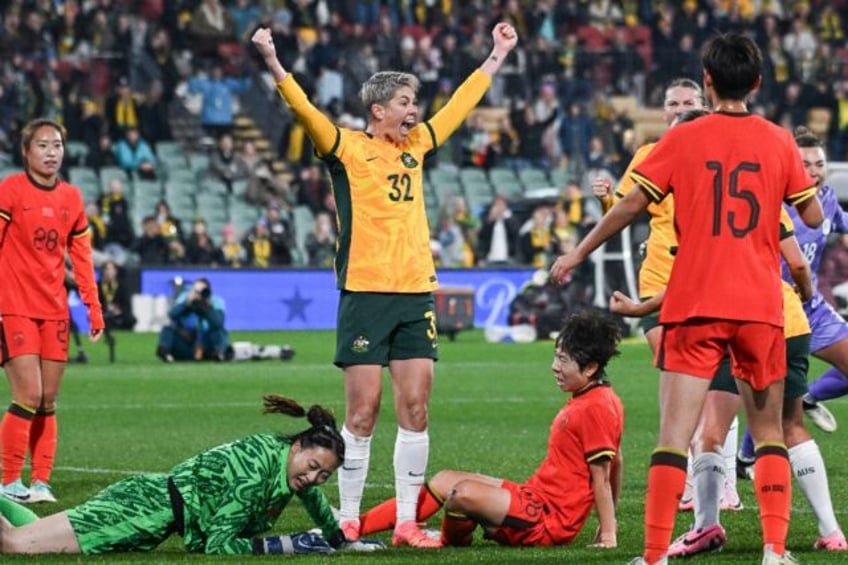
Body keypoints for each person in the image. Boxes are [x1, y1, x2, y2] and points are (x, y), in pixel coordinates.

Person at [549, 32, 823, 565]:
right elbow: (811, 217)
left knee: (674, 435)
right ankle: (774, 550)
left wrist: (579, 253)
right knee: (768, 432)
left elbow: (629, 206)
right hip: (760, 307)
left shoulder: (679, 140)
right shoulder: (777, 140)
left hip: (693, 303)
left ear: (707, 82)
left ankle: (652, 557)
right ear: (759, 83)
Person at [252, 21, 518, 549]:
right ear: (378, 111)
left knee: (416, 409)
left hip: (415, 290)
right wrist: (273, 62)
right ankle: (348, 517)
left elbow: (460, 107)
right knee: (363, 412)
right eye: (404, 100)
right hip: (365, 293)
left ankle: (404, 522)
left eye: (414, 99)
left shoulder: (417, 144)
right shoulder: (347, 149)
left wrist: (496, 55)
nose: (414, 109)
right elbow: (305, 111)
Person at [612, 209, 848, 556]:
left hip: (727, 321)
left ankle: (690, 535)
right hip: (782, 317)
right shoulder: (767, 197)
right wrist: (804, 292)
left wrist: (639, 308)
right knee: (785, 427)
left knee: (704, 432)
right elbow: (797, 262)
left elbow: (691, 277)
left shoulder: (705, 204)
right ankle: (819, 535)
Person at [355, 310, 624, 548]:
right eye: (556, 357)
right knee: (445, 480)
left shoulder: (595, 407)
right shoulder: (596, 397)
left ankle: (445, 541)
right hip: (535, 498)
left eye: (564, 360)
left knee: (461, 495)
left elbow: (602, 476)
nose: (555, 367)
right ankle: (355, 527)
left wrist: (608, 534)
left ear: (590, 367)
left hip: (547, 520)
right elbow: (617, 459)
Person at [0, 394, 383, 555]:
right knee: (16, 545)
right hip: (139, 512)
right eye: (313, 467)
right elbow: (216, 546)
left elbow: (312, 497)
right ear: (298, 447)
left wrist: (340, 540)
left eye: (324, 476)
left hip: (145, 501)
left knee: (35, 530)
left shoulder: (282, 458)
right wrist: (289, 544)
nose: (314, 479)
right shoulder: (256, 472)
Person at [0, 118, 105, 503]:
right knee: (28, 393)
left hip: (55, 310)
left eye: (57, 145)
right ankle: (9, 481)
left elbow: (82, 258)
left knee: (48, 401)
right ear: (26, 152)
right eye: (43, 145)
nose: (51, 152)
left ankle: (40, 483)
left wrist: (93, 308)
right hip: (13, 307)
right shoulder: (9, 191)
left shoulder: (72, 199)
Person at [156, 278, 228, 362]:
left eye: (202, 292)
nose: (199, 295)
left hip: (207, 339)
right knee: (168, 329)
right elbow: (172, 315)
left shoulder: (216, 301)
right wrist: (186, 304)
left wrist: (208, 308)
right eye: (196, 291)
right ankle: (165, 352)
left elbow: (218, 323)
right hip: (187, 338)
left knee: (219, 332)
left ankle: (218, 354)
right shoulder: (185, 297)